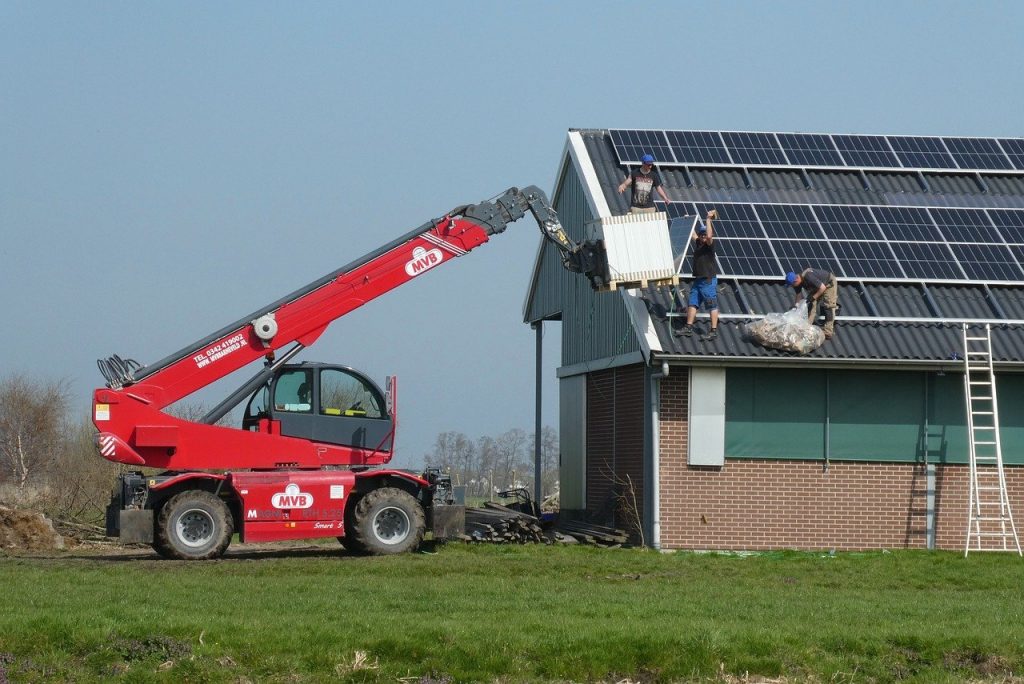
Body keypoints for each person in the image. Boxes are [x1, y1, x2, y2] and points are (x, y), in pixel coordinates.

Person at [677, 210, 719, 340]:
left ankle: (713, 330)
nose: (703, 236)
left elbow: (710, 236)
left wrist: (708, 219)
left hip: (708, 280)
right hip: (698, 280)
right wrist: (688, 221)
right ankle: (688, 327)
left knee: (711, 304)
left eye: (704, 234)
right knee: (692, 303)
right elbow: (693, 235)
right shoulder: (699, 243)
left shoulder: (709, 246)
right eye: (702, 234)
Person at [786, 268, 839, 340]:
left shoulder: (808, 277)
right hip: (817, 286)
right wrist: (796, 307)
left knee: (828, 306)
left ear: (796, 280)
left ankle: (828, 331)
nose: (792, 286)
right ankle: (807, 327)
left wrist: (813, 297)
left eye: (792, 285)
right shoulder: (797, 283)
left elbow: (823, 288)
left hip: (829, 283)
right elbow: (799, 295)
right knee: (810, 305)